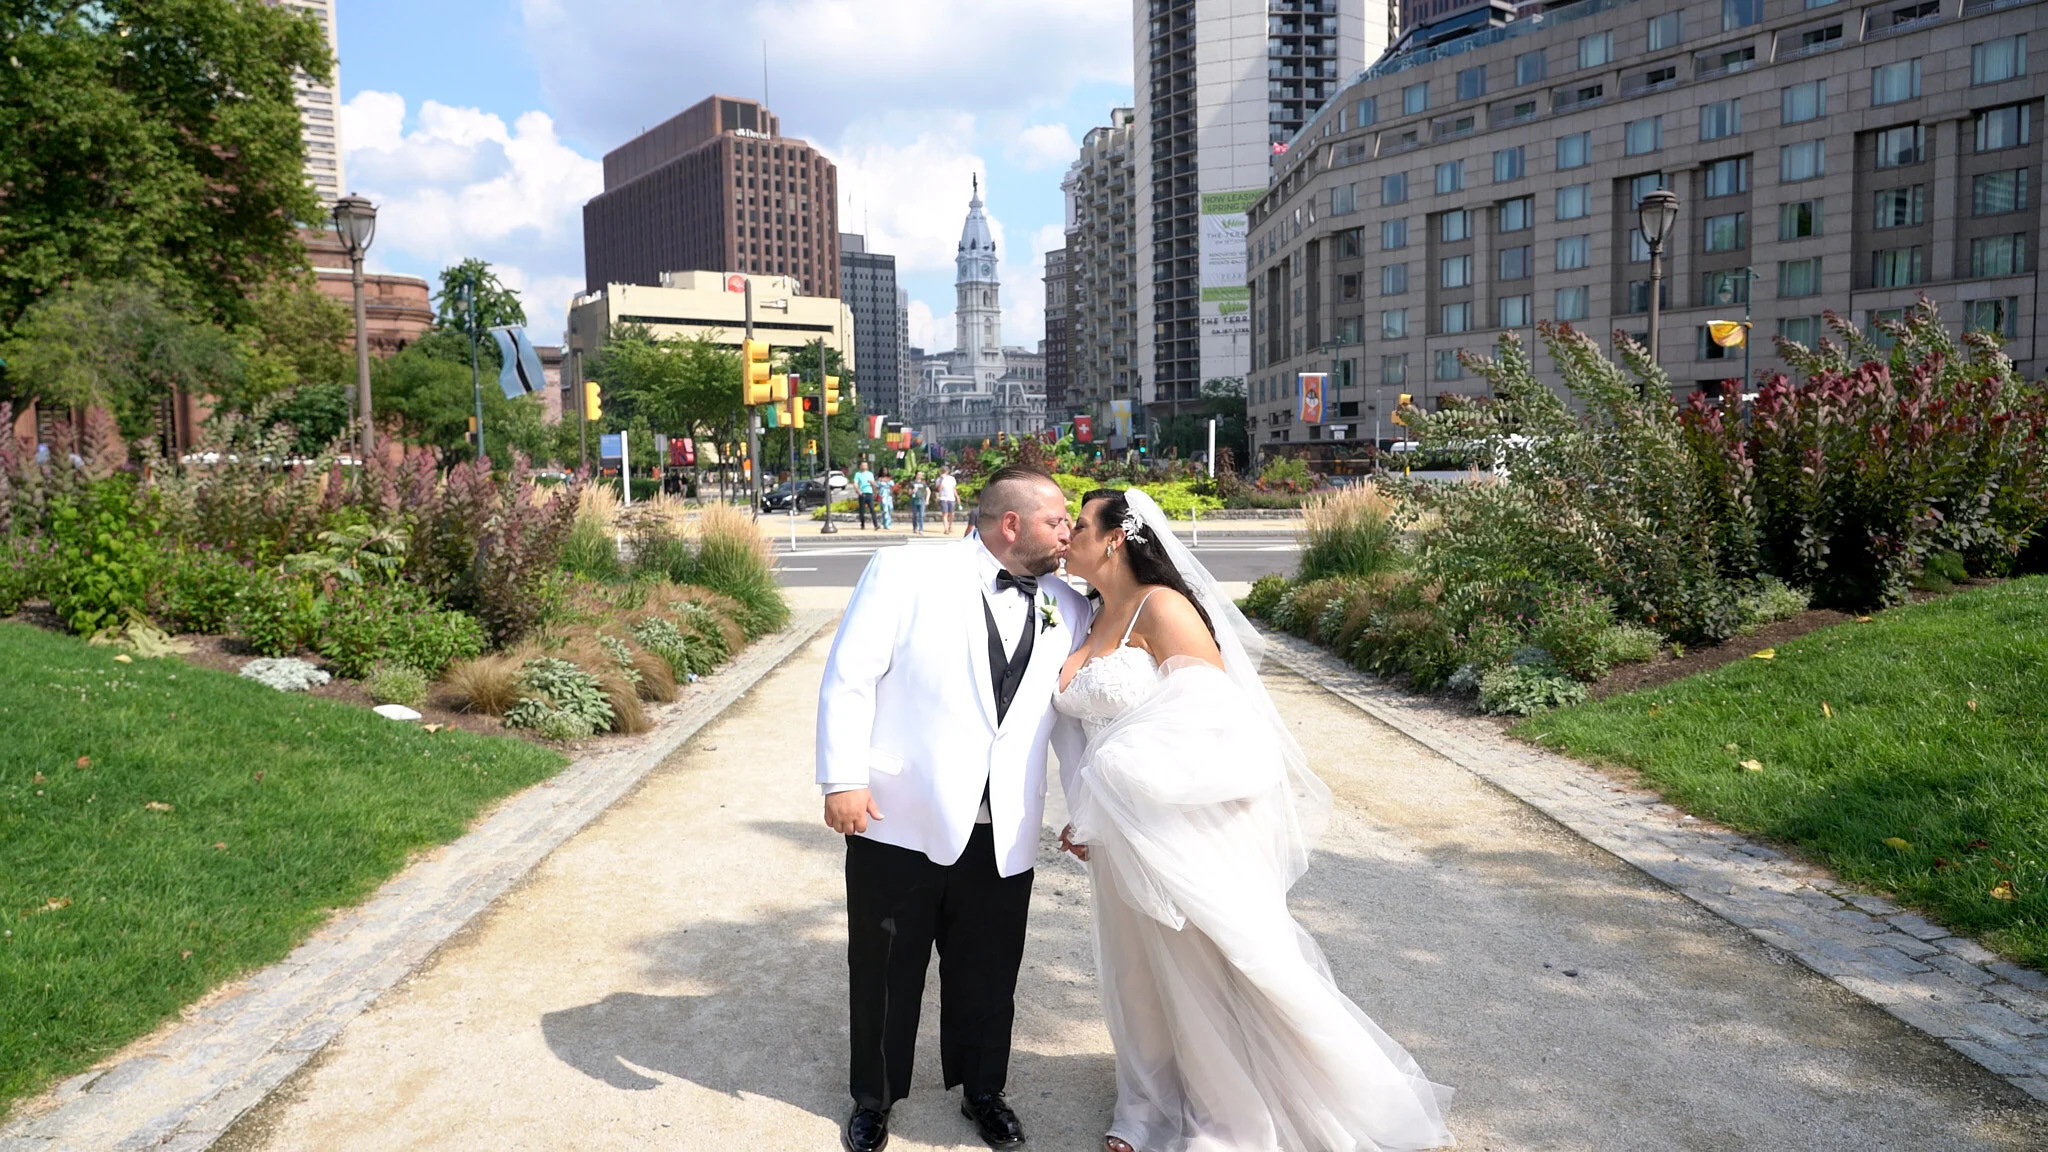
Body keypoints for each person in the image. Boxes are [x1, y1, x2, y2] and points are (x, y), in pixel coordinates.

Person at [1053, 488, 1455, 1152]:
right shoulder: (1091, 614)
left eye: (1079, 525)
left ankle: (1228, 1122)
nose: (1068, 534)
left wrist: (1113, 784)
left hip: (1181, 824)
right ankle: (1150, 1107)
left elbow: (1220, 725)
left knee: (1211, 968)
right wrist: (1092, 812)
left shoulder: (1166, 609)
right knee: (1138, 972)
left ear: (1115, 538)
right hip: (1123, 829)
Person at [817, 467, 1094, 1152]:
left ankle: (983, 1091)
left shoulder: (1070, 605)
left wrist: (1087, 812)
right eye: (1058, 520)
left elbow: (1071, 726)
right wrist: (841, 779)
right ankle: (873, 1101)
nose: (1069, 532)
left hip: (1005, 832)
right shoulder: (904, 572)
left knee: (989, 973)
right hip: (897, 819)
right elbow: (849, 677)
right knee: (884, 969)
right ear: (1012, 524)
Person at [853, 462, 877, 530]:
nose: (864, 467)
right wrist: (858, 490)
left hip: (869, 492)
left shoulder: (870, 474)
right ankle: (862, 524)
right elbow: (855, 483)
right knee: (862, 510)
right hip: (862, 493)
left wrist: (875, 491)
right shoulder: (857, 474)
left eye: (866, 465)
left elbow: (873, 483)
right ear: (860, 466)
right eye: (863, 465)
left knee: (872, 509)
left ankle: (876, 525)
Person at [937, 466, 959, 534]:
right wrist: (942, 480)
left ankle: (950, 526)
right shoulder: (939, 479)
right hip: (943, 498)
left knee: (952, 513)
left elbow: (954, 488)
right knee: (945, 513)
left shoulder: (951, 478)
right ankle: (946, 529)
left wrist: (957, 497)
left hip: (951, 498)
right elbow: (939, 489)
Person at [909, 471, 931, 535]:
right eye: (919, 474)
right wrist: (913, 491)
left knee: (921, 515)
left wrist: (927, 499)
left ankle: (921, 529)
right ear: (916, 475)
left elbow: (928, 491)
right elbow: (909, 492)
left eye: (921, 475)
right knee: (915, 515)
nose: (920, 476)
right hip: (914, 500)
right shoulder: (912, 483)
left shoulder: (923, 483)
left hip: (921, 500)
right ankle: (915, 528)